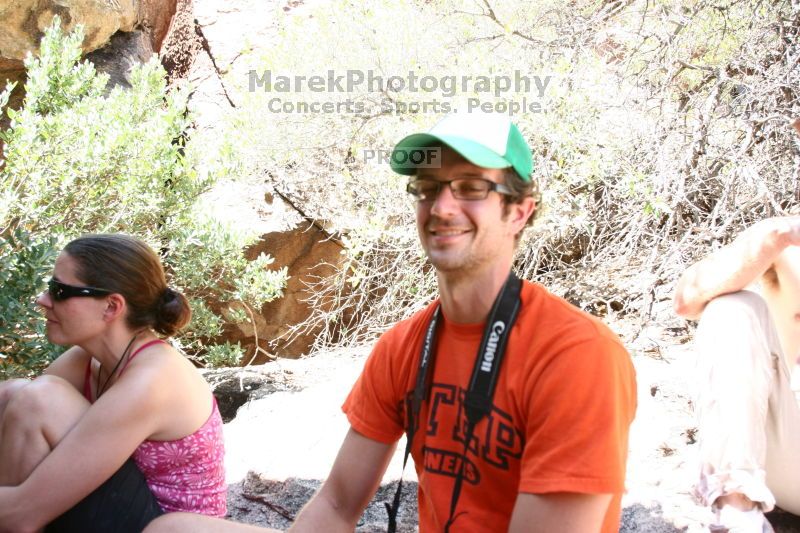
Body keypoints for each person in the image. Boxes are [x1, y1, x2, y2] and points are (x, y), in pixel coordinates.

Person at [145, 112, 637, 533]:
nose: (442, 208)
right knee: (173, 527)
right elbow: (337, 504)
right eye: (428, 188)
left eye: (470, 189)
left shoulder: (576, 355)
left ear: (518, 212)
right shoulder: (406, 346)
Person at [0, 233, 226, 532]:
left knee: (38, 398)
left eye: (60, 290)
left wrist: (20, 511)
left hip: (159, 524)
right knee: (15, 393)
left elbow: (20, 514)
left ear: (111, 307)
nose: (43, 300)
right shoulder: (89, 360)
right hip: (124, 509)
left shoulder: (151, 381)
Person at [673, 216, 800, 532]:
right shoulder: (786, 242)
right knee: (732, 308)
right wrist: (778, 236)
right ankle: (738, 510)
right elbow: (686, 301)